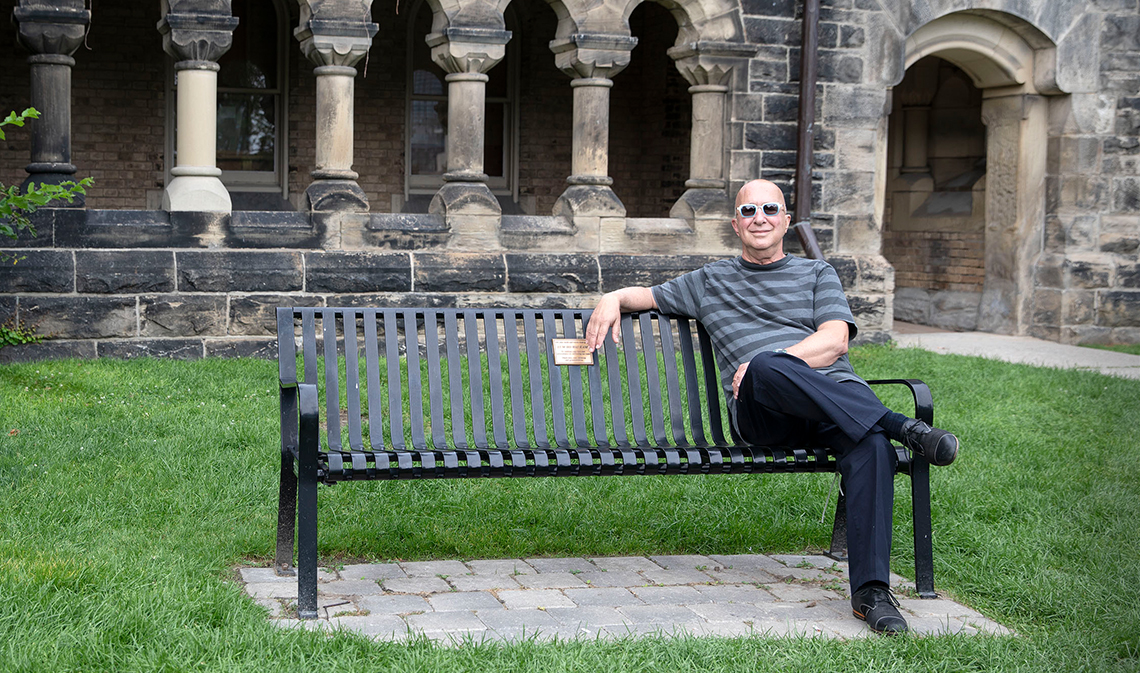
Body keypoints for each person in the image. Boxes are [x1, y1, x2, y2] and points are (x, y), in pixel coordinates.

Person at [584, 178, 959, 635]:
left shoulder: (817, 274)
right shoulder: (709, 281)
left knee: (872, 447)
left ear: (784, 220)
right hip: (764, 415)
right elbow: (646, 296)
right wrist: (611, 298)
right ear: (735, 226)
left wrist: (779, 361)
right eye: (747, 211)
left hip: (831, 408)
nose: (758, 217)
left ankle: (872, 594)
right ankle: (905, 426)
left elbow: (836, 339)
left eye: (769, 209)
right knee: (762, 369)